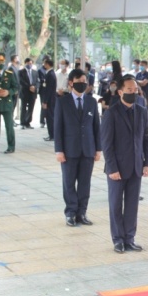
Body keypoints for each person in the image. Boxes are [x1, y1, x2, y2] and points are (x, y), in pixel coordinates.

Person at [101, 74, 148, 254]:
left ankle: (130, 238)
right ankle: (118, 240)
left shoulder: (142, 111)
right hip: (117, 168)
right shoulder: (111, 113)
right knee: (116, 205)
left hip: (136, 166)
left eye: (135, 90)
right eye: (129, 90)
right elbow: (107, 144)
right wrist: (112, 168)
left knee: (132, 205)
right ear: (121, 91)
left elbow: (147, 138)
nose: (133, 92)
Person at [55, 69, 101, 227]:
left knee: (84, 183)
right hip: (69, 150)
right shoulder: (62, 102)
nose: (83, 84)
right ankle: (70, 212)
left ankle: (82, 212)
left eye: (84, 81)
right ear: (71, 83)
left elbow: (96, 126)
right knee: (68, 182)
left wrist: (98, 149)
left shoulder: (91, 101)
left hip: (88, 149)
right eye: (79, 81)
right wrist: (59, 150)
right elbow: (58, 127)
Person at [18, 58, 39, 129]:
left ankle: (28, 122)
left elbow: (37, 81)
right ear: (25, 63)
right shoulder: (21, 72)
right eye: (28, 63)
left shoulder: (35, 72)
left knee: (31, 108)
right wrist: (29, 87)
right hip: (25, 92)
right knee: (23, 108)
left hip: (33, 93)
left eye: (31, 63)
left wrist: (35, 87)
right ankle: (23, 122)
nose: (29, 65)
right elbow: (21, 81)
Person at [40, 59, 57, 141]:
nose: (44, 65)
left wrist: (45, 101)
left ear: (47, 64)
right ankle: (51, 134)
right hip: (50, 99)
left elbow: (48, 89)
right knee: (49, 117)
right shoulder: (49, 73)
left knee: (50, 118)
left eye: (45, 64)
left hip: (50, 100)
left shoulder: (51, 74)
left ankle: (52, 135)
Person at [8, 54, 21, 125]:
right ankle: (10, 121)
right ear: (14, 59)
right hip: (13, 91)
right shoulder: (11, 68)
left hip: (16, 90)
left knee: (14, 105)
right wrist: (14, 90)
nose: (18, 60)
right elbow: (12, 80)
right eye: (17, 58)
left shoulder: (15, 68)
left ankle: (12, 120)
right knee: (12, 106)